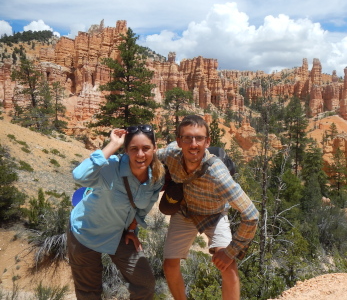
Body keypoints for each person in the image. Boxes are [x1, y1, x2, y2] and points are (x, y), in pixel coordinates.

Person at [157, 115, 259, 300]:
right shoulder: (171, 154)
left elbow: (251, 214)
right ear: (179, 141)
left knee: (228, 265)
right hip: (185, 210)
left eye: (199, 138)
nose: (193, 144)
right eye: (187, 138)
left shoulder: (217, 173)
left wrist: (231, 251)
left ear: (207, 142)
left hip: (214, 214)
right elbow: (146, 154)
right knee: (170, 265)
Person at [67, 125, 165, 300]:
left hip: (120, 234)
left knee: (145, 283)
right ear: (126, 150)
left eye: (146, 148)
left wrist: (131, 229)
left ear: (155, 148)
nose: (140, 155)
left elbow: (144, 207)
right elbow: (79, 176)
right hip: (85, 232)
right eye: (134, 149)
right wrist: (113, 145)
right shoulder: (112, 167)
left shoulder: (157, 175)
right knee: (89, 293)